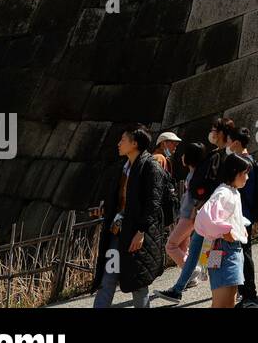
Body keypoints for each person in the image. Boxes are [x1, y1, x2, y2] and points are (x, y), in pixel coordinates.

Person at [158, 117, 234, 302]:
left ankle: (236, 290)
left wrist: (200, 205)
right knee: (199, 252)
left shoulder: (224, 155)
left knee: (224, 252)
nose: (211, 133)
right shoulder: (217, 154)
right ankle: (179, 289)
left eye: (214, 129)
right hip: (207, 212)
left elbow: (213, 184)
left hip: (215, 212)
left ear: (221, 132)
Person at [93, 126, 167, 309]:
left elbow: (153, 203)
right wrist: (105, 208)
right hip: (117, 232)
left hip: (137, 235)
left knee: (138, 283)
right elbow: (119, 200)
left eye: (122, 140)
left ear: (134, 143)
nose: (118, 144)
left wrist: (141, 231)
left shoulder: (150, 166)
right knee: (108, 278)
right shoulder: (123, 167)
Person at [194, 152, 250, 309]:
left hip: (223, 249)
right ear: (236, 173)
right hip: (225, 248)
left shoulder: (230, 191)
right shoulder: (224, 192)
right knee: (223, 302)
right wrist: (228, 232)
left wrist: (238, 228)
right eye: (245, 173)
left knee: (227, 300)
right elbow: (207, 216)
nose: (247, 177)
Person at [229, 127, 258, 307]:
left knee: (244, 254)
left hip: (243, 216)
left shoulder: (245, 163)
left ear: (236, 142)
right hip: (243, 216)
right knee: (242, 254)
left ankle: (250, 296)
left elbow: (247, 194)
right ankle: (246, 294)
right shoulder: (248, 160)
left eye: (229, 140)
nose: (227, 144)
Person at [165, 142, 204, 280]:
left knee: (170, 246)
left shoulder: (195, 175)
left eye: (184, 154)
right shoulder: (194, 173)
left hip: (188, 216)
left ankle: (193, 270)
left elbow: (199, 195)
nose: (181, 156)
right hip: (186, 215)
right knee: (182, 246)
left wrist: (194, 211)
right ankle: (190, 278)